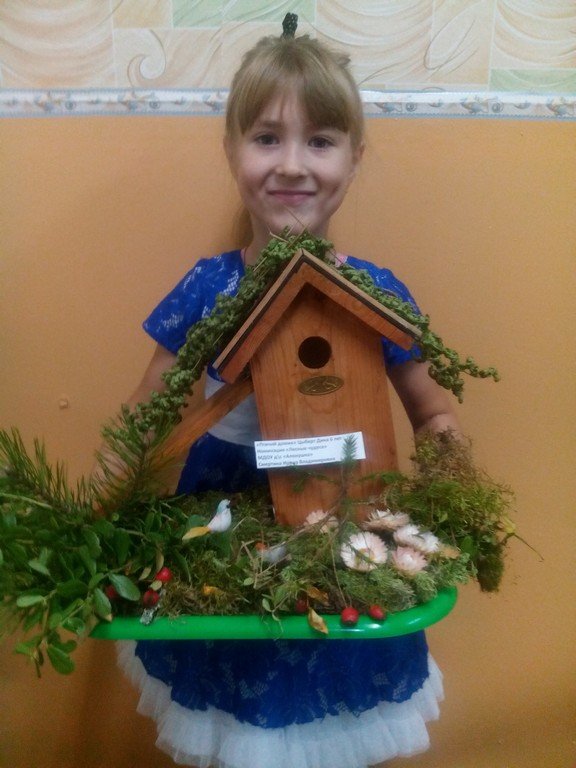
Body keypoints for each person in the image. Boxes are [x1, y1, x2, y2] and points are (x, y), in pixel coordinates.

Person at [115, 19, 460, 768]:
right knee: (235, 709)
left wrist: (453, 481)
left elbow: (433, 408)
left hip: (342, 511)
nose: (293, 165)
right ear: (231, 150)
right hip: (220, 515)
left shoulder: (372, 292)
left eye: (321, 141)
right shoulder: (208, 287)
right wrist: (107, 503)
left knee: (328, 700)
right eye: (267, 138)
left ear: (355, 157)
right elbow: (146, 410)